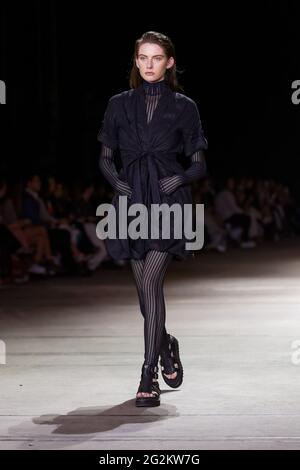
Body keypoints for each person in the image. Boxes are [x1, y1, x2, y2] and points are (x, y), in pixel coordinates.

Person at [98, 31, 208, 407]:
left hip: (168, 201)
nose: (148, 64)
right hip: (130, 202)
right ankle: (166, 344)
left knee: (150, 282)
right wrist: (116, 181)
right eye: (142, 57)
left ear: (169, 62)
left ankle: (148, 374)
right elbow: (105, 157)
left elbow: (198, 163)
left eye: (156, 57)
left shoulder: (184, 106)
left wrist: (179, 177)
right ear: (136, 61)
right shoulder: (118, 105)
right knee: (145, 296)